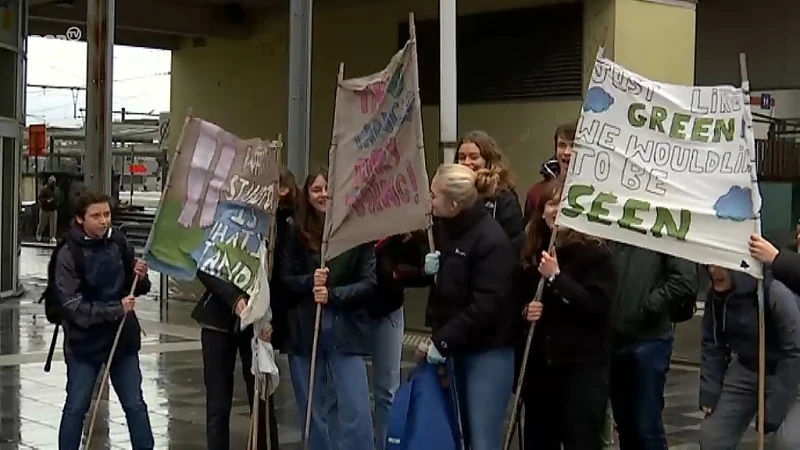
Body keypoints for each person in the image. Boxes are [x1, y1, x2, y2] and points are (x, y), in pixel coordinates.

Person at [422, 163, 519, 450]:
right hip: (458, 347)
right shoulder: (447, 229)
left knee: (481, 439)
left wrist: (443, 340)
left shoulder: (490, 240)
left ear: (453, 204)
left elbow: (487, 304)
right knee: (455, 433)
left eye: (434, 195)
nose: (430, 200)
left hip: (488, 352)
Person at [279, 168, 377, 450]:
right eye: (316, 190)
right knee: (313, 410)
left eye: (327, 188)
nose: (323, 195)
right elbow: (285, 279)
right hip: (305, 330)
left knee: (355, 406)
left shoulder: (358, 231)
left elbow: (368, 282)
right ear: (307, 196)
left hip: (346, 328)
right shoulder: (295, 231)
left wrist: (333, 295)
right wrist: (311, 282)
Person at [520, 178, 617, 450]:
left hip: (581, 368)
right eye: (551, 203)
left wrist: (557, 278)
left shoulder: (596, 255)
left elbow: (596, 306)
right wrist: (526, 310)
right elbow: (518, 296)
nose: (555, 210)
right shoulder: (533, 250)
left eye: (562, 203)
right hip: (542, 369)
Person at [54, 191, 154, 450]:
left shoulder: (118, 241)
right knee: (76, 406)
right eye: (96, 216)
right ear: (80, 219)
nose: (103, 221)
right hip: (84, 342)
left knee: (135, 403)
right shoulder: (68, 253)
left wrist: (140, 276)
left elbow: (138, 287)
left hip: (122, 338)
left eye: (107, 214)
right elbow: (71, 305)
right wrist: (115, 310)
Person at [699, 265, 800, 449]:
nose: (713, 271)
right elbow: (712, 343)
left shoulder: (775, 292)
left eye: (719, 265)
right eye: (709, 265)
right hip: (747, 367)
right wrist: (710, 390)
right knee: (711, 437)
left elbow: (794, 351)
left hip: (791, 372)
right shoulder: (715, 298)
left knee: (788, 443)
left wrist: (773, 411)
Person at [608, 242, 697, 449]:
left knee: (647, 425)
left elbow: (684, 280)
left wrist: (648, 305)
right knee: (626, 425)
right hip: (614, 338)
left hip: (650, 338)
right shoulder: (613, 228)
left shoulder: (663, 227)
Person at [193, 269, 278, 450]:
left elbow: (277, 273)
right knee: (218, 405)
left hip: (258, 320)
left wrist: (272, 319)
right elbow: (205, 266)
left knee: (262, 401)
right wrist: (234, 298)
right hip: (218, 319)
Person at [369, 231, 427, 449]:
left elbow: (423, 269)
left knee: (387, 391)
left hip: (388, 308)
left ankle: (384, 444)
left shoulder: (403, 230)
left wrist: (398, 273)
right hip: (352, 308)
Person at [455, 131, 524, 247]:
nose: (466, 162)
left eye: (474, 157)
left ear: (488, 160)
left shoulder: (504, 196)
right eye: (462, 157)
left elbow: (514, 240)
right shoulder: (450, 194)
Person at [523, 122, 576, 224]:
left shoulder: (596, 193)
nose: (567, 152)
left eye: (573, 145)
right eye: (562, 145)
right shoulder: (536, 192)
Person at [38, 175, 60, 243]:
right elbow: (40, 198)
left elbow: (57, 197)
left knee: (53, 224)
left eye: (54, 182)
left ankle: (52, 236)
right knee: (42, 223)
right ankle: (39, 233)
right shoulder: (45, 189)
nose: (53, 183)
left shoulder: (56, 190)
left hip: (53, 209)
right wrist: (46, 201)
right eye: (52, 182)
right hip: (45, 209)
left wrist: (57, 203)